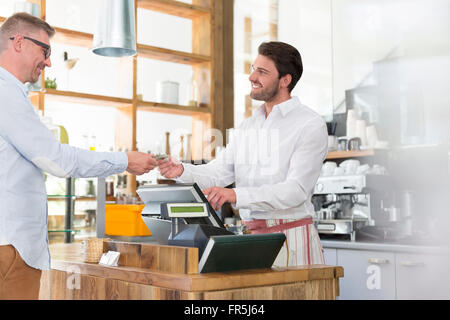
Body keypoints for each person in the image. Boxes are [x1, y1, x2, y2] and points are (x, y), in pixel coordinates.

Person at [0, 13, 157, 300]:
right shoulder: (5, 93)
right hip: (9, 246)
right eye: (45, 51)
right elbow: (57, 160)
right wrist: (124, 160)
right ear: (19, 42)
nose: (48, 61)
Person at [158, 41, 328, 267]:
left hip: (293, 242)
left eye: (262, 72)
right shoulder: (248, 126)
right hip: (253, 241)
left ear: (285, 80)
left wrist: (236, 195)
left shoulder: (309, 124)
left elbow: (295, 190)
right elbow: (218, 173)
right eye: (253, 69)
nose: (252, 77)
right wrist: (181, 170)